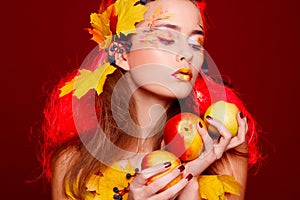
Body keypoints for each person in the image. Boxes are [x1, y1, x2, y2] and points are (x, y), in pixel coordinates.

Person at [39, 0, 262, 199]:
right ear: (122, 54)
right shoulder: (72, 165)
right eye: (166, 37)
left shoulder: (223, 155)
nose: (187, 54)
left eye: (196, 42)